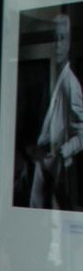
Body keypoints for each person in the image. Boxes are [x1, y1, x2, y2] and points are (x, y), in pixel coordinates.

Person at [30, 14, 83, 209]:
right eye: (54, 38)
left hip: (56, 166)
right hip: (41, 161)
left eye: (62, 38)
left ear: (68, 43)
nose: (58, 45)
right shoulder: (52, 78)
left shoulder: (71, 84)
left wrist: (62, 153)